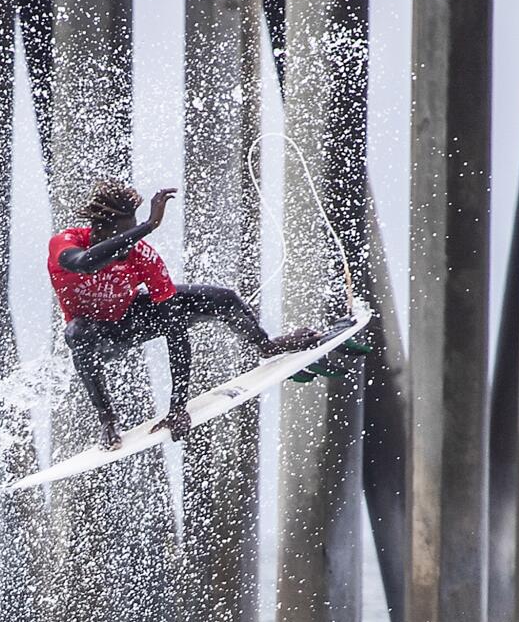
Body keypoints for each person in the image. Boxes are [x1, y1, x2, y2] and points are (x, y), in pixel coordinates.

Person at [47, 179, 324, 446]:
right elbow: (84, 264)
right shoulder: (67, 242)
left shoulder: (142, 256)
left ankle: (266, 345)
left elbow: (175, 330)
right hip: (99, 336)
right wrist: (148, 226)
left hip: (129, 321)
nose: (129, 245)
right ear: (99, 231)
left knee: (223, 299)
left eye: (131, 236)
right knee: (77, 332)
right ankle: (107, 419)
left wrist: (177, 406)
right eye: (122, 237)